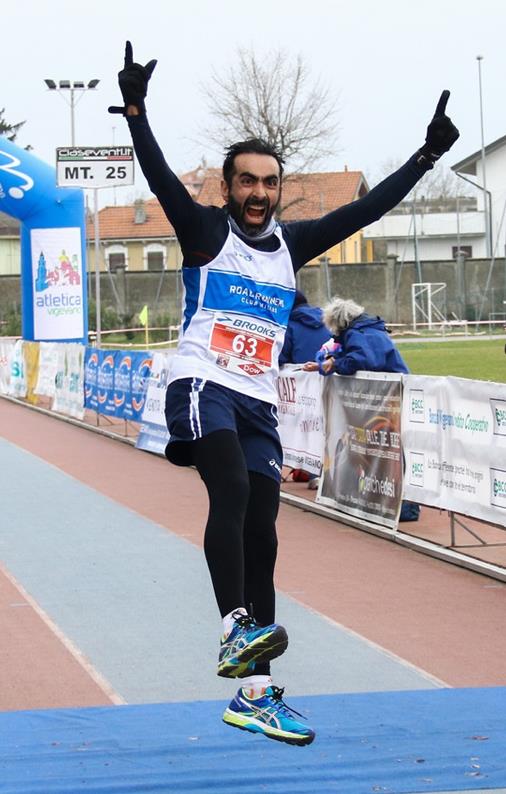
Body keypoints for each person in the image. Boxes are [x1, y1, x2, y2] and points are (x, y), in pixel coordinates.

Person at [110, 41, 458, 745]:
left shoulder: (290, 245)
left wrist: (423, 160)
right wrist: (139, 114)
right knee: (231, 492)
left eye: (269, 182)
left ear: (278, 186)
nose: (259, 193)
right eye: (247, 182)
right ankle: (234, 627)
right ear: (230, 187)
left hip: (257, 399)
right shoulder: (207, 232)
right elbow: (163, 179)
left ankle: (255, 693)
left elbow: (364, 215)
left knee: (264, 534)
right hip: (201, 381)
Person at [304, 296, 420, 521]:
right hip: (384, 398)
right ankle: (392, 502)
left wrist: (335, 363)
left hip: (389, 399)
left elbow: (364, 359)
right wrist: (332, 361)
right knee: (381, 449)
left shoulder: (359, 334)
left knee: (390, 451)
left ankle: (405, 506)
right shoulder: (366, 331)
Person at [279, 289, 331, 489]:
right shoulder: (326, 319)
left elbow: (282, 356)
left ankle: (312, 472)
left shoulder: (289, 325)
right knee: (326, 426)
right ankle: (320, 474)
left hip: (304, 384)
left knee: (306, 426)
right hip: (329, 377)